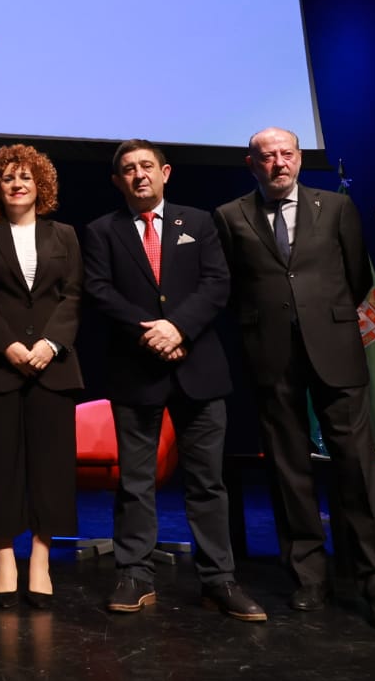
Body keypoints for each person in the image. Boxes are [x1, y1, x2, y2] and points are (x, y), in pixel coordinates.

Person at [215, 128, 375, 631]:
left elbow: (357, 276)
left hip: (336, 348)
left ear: (299, 159)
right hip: (270, 352)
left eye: (287, 154)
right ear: (251, 163)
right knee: (287, 467)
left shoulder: (335, 208)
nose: (279, 163)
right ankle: (308, 576)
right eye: (268, 156)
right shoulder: (230, 215)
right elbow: (232, 287)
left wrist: (322, 317)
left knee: (358, 466)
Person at [81, 139, 262, 619]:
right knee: (136, 483)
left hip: (198, 368)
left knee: (208, 483)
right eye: (127, 169)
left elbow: (217, 283)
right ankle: (135, 575)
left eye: (146, 166)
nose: (138, 175)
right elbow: (98, 290)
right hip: (135, 370)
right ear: (117, 180)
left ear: (165, 172)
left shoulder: (199, 222)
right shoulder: (102, 230)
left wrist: (177, 327)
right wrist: (153, 333)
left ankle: (219, 580)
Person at [0, 143, 83, 609]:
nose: (17, 184)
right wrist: (8, 344)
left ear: (41, 187)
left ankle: (40, 558)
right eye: (9, 178)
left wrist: (50, 344)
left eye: (26, 178)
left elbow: (73, 295)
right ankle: (4, 558)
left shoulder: (66, 234)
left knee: (50, 467)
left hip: (53, 365)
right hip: (0, 364)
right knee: (0, 465)